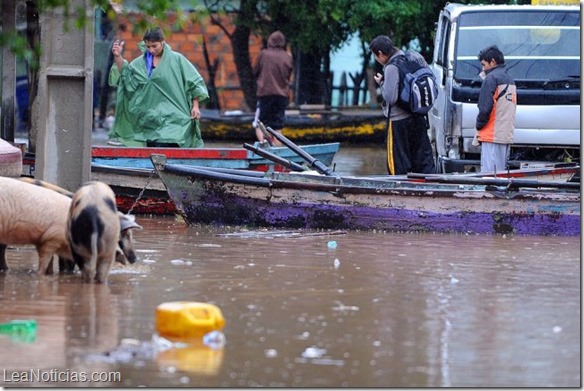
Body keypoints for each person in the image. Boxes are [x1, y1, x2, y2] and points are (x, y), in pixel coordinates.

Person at [107, 27, 209, 147]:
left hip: (174, 117)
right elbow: (127, 79)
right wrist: (118, 57)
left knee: (169, 143)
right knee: (152, 153)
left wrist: (195, 106)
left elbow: (193, 82)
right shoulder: (140, 64)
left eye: (154, 46)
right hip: (149, 118)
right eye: (148, 46)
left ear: (163, 42)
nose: (151, 50)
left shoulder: (177, 60)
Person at [369, 35, 435, 175]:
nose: (376, 59)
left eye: (375, 55)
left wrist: (382, 83)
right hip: (419, 116)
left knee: (398, 161)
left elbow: (390, 97)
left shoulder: (391, 67)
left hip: (399, 121)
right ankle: (427, 186)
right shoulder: (413, 58)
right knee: (422, 157)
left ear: (380, 53)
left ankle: (400, 189)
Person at [474, 45, 517, 173]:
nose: (483, 69)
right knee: (501, 175)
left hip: (491, 135)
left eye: (484, 64)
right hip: (505, 135)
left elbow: (484, 108)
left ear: (492, 62)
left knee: (489, 175)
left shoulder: (491, 79)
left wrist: (478, 125)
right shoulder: (510, 80)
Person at [252, 31, 293, 146]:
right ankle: (277, 153)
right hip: (282, 96)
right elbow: (288, 75)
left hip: (265, 94)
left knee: (259, 124)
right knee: (277, 127)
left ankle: (264, 147)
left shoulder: (263, 54)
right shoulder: (288, 57)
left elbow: (254, 71)